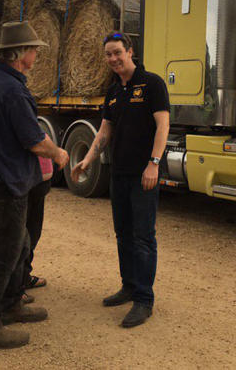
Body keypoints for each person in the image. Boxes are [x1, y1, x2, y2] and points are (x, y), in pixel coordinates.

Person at [0, 20, 70, 350]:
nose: (38, 53)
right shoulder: (11, 89)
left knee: (19, 245)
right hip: (6, 183)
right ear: (21, 53)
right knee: (0, 254)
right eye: (34, 49)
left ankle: (11, 305)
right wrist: (59, 153)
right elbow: (34, 141)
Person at [71, 32, 169, 328]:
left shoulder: (152, 83)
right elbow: (105, 130)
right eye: (108, 55)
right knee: (123, 234)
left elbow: (163, 125)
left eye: (117, 53)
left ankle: (144, 299)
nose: (113, 59)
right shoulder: (113, 91)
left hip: (144, 175)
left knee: (143, 236)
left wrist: (153, 164)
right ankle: (128, 286)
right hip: (119, 174)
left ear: (130, 51)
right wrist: (88, 158)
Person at [21, 157, 53, 301]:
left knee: (33, 234)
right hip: (23, 180)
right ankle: (13, 288)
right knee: (20, 238)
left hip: (38, 180)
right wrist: (56, 152)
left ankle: (24, 277)